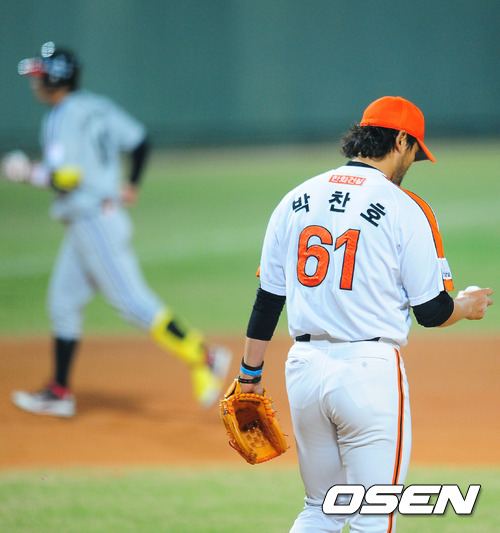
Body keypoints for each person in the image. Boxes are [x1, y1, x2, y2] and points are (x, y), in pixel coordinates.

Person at [236, 96, 493, 532]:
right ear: (400, 140)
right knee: (374, 514)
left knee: (320, 508)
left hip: (304, 370)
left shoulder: (296, 198)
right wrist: (467, 306)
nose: (411, 163)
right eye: (414, 152)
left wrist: (249, 376)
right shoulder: (405, 207)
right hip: (368, 375)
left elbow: (267, 301)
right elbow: (432, 311)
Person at [2, 42, 231, 418]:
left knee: (133, 303)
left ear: (56, 79)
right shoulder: (98, 106)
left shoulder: (61, 116)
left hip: (94, 221)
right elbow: (140, 141)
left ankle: (203, 356)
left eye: (41, 75)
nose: (35, 82)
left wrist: (26, 172)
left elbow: (68, 177)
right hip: (92, 220)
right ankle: (59, 392)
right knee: (63, 303)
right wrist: (132, 184)